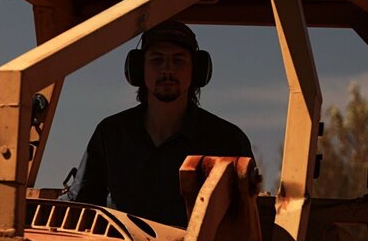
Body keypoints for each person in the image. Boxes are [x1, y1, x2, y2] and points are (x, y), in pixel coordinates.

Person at [63, 21, 254, 227]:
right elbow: (79, 204)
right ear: (139, 69)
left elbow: (243, 224)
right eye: (157, 59)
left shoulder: (226, 141)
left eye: (178, 60)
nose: (167, 69)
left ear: (197, 70)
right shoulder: (111, 134)